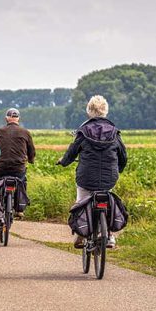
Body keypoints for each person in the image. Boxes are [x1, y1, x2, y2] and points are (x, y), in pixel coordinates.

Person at [57, 95, 127, 248]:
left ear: (89, 110)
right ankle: (109, 235)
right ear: (106, 111)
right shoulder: (115, 133)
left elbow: (71, 153)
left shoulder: (83, 131)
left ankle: (81, 233)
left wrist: (63, 162)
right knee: (107, 198)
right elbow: (123, 156)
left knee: (81, 201)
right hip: (109, 177)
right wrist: (118, 170)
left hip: (86, 177)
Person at [0, 108, 35, 188]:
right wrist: (31, 160)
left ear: (6, 118)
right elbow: (31, 151)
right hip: (18, 169)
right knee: (22, 185)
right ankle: (23, 199)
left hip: (0, 168)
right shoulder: (25, 132)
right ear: (18, 119)